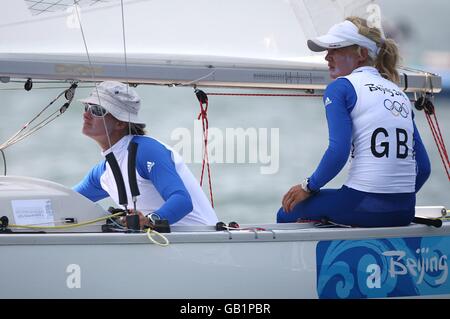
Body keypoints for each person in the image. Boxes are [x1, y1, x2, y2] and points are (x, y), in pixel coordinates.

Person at [277, 17, 431, 227]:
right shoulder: (400, 94)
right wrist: (392, 202)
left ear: (361, 54)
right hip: (403, 211)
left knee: (287, 211)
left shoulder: (341, 87)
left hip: (360, 207)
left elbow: (338, 152)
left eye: (336, 49)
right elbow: (423, 168)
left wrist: (307, 187)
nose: (327, 57)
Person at [73, 81, 218, 228]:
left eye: (97, 110)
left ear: (120, 123)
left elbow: (182, 201)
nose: (86, 115)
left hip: (203, 243)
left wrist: (149, 220)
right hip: (162, 245)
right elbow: (66, 199)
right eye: (87, 107)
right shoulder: (102, 173)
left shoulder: (146, 151)